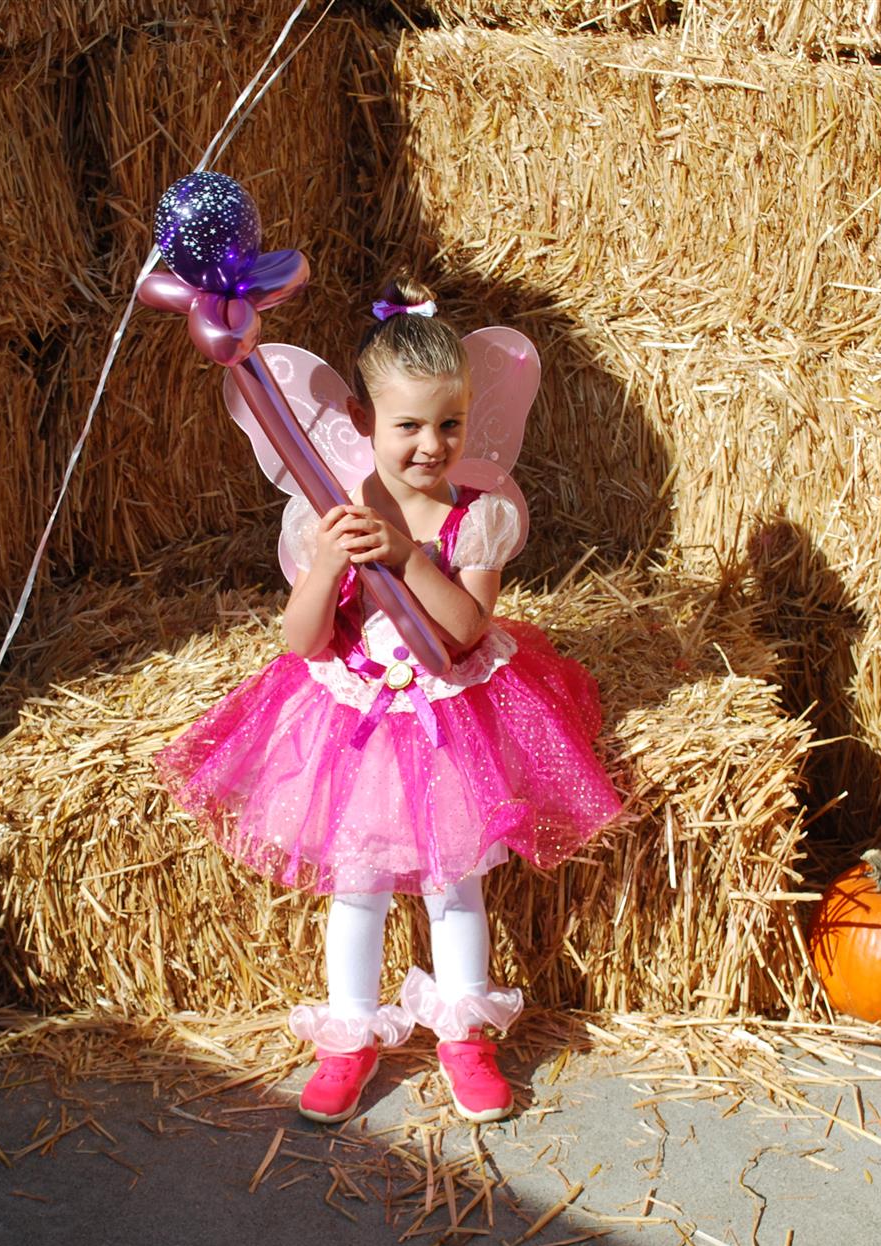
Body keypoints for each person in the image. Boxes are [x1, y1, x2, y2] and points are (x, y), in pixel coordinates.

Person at [156, 276, 621, 1125]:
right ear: (367, 424)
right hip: (358, 716)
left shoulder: (471, 518)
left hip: (449, 711)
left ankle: (464, 1035)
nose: (431, 445)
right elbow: (302, 640)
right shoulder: (327, 509)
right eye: (407, 426)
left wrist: (411, 559)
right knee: (359, 883)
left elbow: (470, 628)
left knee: (456, 881)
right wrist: (331, 564)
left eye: (449, 424)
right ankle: (349, 1039)